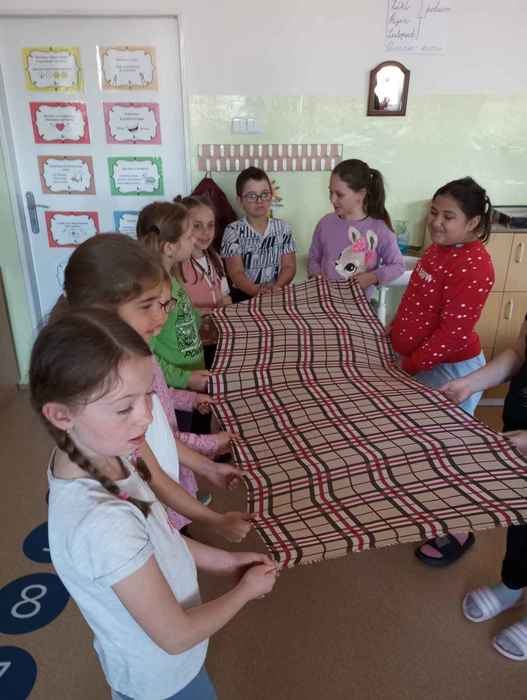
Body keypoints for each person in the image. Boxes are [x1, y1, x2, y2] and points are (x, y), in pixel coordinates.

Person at [32, 308, 278, 699]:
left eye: (148, 395)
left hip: (169, 668)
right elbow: (176, 635)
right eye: (124, 407)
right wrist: (244, 591)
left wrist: (226, 562)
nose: (147, 416)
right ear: (62, 415)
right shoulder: (103, 524)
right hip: (160, 682)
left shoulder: (107, 451)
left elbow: (161, 536)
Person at [59, 233, 249, 540]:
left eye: (164, 304)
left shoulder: (141, 354)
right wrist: (209, 449)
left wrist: (208, 467)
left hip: (167, 493)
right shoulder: (108, 393)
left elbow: (158, 429)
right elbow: (152, 468)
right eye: (147, 306)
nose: (162, 315)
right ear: (100, 310)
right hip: (152, 508)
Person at [390, 176, 495, 566]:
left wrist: (410, 366)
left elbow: (452, 334)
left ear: (472, 222)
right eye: (434, 213)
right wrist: (394, 331)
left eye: (448, 217)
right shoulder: (438, 250)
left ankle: (459, 531)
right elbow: (416, 300)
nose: (436, 222)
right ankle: (427, 508)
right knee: (420, 445)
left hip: (452, 371)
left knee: (447, 453)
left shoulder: (475, 265)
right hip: (422, 363)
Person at [441, 318, 527, 660]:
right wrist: (471, 383)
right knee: (520, 521)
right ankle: (513, 585)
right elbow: (519, 353)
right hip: (520, 446)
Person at [137, 201, 209, 392]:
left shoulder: (171, 278)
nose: (194, 239)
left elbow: (181, 316)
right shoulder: (156, 293)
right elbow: (147, 356)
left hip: (192, 373)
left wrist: (201, 321)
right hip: (177, 387)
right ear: (169, 248)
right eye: (189, 236)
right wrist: (185, 379)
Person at [308, 158, 404, 299]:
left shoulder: (380, 229)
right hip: (324, 301)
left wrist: (372, 277)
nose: (332, 199)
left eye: (339, 194)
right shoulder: (325, 223)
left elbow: (398, 266)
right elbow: (313, 259)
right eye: (330, 192)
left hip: (358, 306)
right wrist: (317, 276)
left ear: (361, 194)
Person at [221, 166, 296, 303]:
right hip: (243, 297)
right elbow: (236, 273)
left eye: (264, 194)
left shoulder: (283, 228)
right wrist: (256, 291)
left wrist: (277, 287)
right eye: (252, 196)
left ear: (271, 196)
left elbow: (289, 267)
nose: (259, 200)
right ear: (240, 201)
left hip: (276, 293)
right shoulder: (232, 231)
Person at [177, 195, 231, 369]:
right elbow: (177, 310)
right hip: (191, 345)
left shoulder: (215, 258)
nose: (206, 232)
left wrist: (225, 305)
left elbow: (225, 295)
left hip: (217, 338)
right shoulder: (177, 265)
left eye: (210, 225)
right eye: (197, 226)